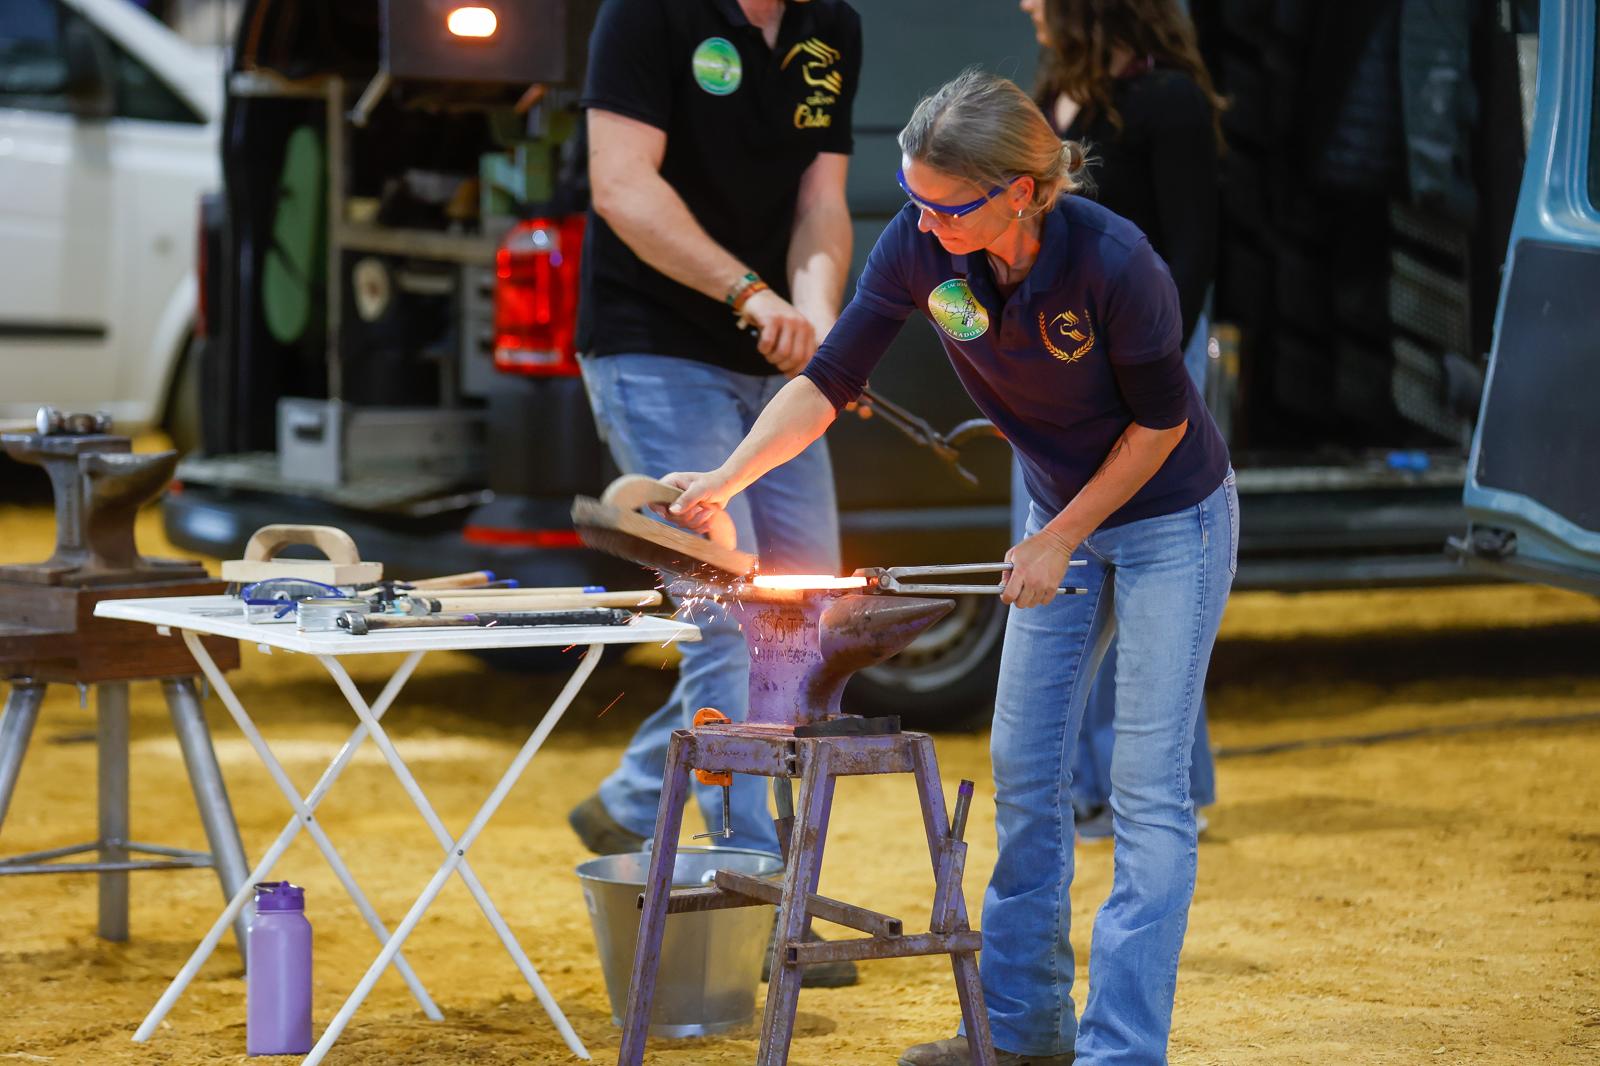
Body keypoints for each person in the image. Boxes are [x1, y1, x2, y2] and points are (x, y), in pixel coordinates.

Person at [661, 70, 1237, 1065]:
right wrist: (727, 474)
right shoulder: (921, 247)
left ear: (1021, 191)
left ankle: (1121, 1050)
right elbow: (829, 380)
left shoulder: (1115, 262)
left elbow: (1161, 423)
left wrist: (1062, 537)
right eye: (912, 196)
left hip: (1166, 519)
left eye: (945, 204)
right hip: (1053, 508)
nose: (921, 222)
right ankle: (1020, 1030)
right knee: (1023, 770)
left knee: (1144, 796)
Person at [567, 0, 862, 987]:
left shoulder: (831, 25)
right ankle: (751, 895)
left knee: (806, 613)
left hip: (777, 365)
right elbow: (620, 187)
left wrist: (816, 317)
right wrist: (749, 293)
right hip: (655, 346)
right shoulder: (645, 16)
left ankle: (641, 785)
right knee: (726, 617)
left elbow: (823, 202)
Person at [1016, 0, 1228, 841]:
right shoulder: (1059, 94)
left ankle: (1163, 784)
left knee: (1155, 577)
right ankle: (1077, 787)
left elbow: (1193, 251)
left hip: (1139, 365)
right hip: (1064, 368)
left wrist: (1145, 371)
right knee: (1060, 575)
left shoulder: (1167, 100)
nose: (1027, 5)